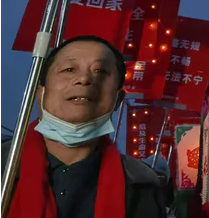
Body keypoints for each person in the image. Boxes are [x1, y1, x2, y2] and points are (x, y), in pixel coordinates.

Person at [3, 35, 166, 218]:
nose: (84, 79)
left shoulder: (143, 184)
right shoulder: (4, 167)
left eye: (101, 71)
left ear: (118, 100)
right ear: (41, 93)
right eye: (69, 69)